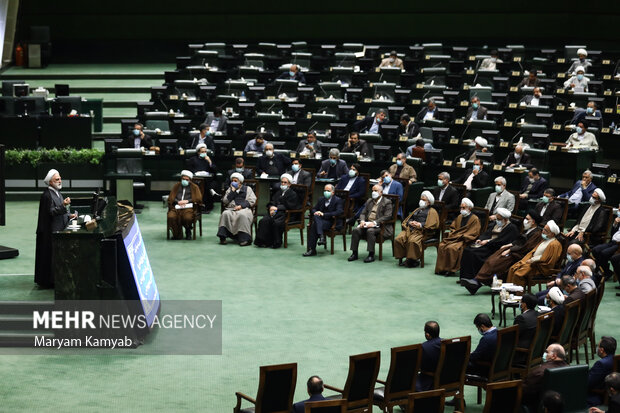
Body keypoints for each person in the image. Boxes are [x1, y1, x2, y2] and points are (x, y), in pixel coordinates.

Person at [464, 211, 543, 294]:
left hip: (521, 255)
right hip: (515, 249)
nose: (524, 221)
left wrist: (510, 250)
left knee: (497, 263)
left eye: (527, 219)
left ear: (533, 222)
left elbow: (526, 247)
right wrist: (508, 245)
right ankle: (477, 281)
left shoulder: (536, 233)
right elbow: (518, 241)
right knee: (492, 259)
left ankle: (478, 281)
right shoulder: (528, 230)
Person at [35, 169, 76, 288]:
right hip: (50, 232)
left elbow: (60, 211)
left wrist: (69, 216)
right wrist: (63, 205)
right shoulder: (47, 195)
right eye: (57, 179)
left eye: (60, 178)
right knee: (50, 257)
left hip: (58, 229)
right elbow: (51, 212)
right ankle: (49, 281)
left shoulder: (58, 192)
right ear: (50, 182)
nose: (59, 181)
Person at [459, 208, 519, 281]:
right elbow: (487, 233)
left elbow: (501, 241)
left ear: (505, 220)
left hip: (495, 248)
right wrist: (480, 239)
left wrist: (487, 242)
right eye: (496, 218)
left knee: (474, 253)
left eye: (499, 219)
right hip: (487, 245)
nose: (497, 221)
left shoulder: (512, 228)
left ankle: (472, 277)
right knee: (467, 250)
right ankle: (464, 277)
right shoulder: (495, 224)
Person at [506, 220, 563, 287]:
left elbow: (548, 260)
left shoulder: (554, 244)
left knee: (518, 274)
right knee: (512, 268)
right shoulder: (545, 239)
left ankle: (518, 294)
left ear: (552, 234)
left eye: (546, 231)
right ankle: (509, 291)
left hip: (539, 267)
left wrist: (533, 260)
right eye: (543, 229)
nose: (543, 231)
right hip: (532, 262)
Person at [348, 185, 393, 263]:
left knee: (370, 231)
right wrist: (362, 221)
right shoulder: (369, 200)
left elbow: (387, 216)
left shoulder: (387, 202)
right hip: (367, 223)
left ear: (381, 192)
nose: (373, 192)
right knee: (356, 230)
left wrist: (374, 222)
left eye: (375, 191)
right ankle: (354, 253)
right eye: (372, 190)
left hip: (380, 226)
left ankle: (371, 254)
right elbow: (363, 213)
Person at [393, 191, 439, 268]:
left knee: (412, 241)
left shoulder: (432, 211)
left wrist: (420, 225)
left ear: (429, 202)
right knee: (398, 239)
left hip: (422, 231)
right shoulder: (417, 209)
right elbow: (408, 219)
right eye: (421, 199)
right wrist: (411, 222)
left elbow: (432, 224)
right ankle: (403, 257)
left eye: (423, 200)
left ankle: (412, 260)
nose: (421, 201)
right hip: (410, 229)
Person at [435, 198, 481, 276]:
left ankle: (450, 270)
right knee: (442, 245)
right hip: (455, 238)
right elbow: (453, 227)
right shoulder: (459, 216)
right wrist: (453, 233)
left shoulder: (475, 219)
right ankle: (442, 268)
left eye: (463, 208)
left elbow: (474, 233)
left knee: (452, 248)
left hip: (464, 240)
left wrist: (462, 236)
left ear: (469, 208)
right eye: (460, 207)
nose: (461, 209)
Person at [254, 174, 300, 249]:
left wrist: (277, 208)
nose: (283, 184)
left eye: (285, 182)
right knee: (263, 221)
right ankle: (263, 241)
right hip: (274, 213)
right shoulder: (278, 192)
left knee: (276, 223)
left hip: (285, 214)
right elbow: (272, 202)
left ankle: (276, 242)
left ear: (289, 184)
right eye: (282, 182)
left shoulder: (293, 194)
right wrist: (271, 207)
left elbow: (291, 206)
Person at [522, 344, 569, 411]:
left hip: (538, 405)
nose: (544, 354)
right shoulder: (569, 368)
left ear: (554, 356)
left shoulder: (540, 372)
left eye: (547, 352)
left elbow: (525, 390)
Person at [303, 184, 344, 257]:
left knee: (314, 225)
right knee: (315, 218)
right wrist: (316, 212)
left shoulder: (338, 200)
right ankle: (321, 237)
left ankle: (312, 250)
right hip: (321, 221)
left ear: (333, 192)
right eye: (324, 190)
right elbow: (313, 209)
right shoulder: (321, 199)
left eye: (328, 191)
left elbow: (339, 212)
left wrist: (324, 214)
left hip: (331, 222)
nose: (326, 192)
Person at [217, 172, 256, 246]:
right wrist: (232, 191)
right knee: (226, 214)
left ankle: (244, 239)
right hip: (231, 209)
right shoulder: (230, 189)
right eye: (232, 181)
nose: (233, 182)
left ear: (240, 182)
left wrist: (241, 206)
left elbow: (252, 200)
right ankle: (223, 237)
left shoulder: (248, 189)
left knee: (242, 215)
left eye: (235, 181)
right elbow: (225, 201)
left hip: (244, 209)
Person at [167, 170, 202, 240]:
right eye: (183, 179)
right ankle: (177, 234)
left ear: (190, 180)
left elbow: (198, 199)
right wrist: (178, 202)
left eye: (187, 180)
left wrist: (187, 201)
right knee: (171, 216)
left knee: (187, 218)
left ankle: (188, 231)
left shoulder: (195, 187)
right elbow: (171, 197)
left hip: (189, 208)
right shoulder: (176, 186)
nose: (184, 181)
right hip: (176, 207)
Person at [186, 143, 217, 213]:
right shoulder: (193, 159)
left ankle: (207, 207)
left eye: (205, 152)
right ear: (198, 152)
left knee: (209, 186)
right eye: (202, 152)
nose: (204, 153)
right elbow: (189, 170)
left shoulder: (209, 159)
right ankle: (196, 206)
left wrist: (210, 162)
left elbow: (214, 170)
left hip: (207, 179)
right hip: (196, 179)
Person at [588, 336, 617, 407]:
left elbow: (588, 383)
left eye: (598, 346)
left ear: (601, 350)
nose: (597, 348)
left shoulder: (601, 364)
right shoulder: (615, 360)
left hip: (596, 395)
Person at [592, 209, 620, 280]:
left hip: (619, 245)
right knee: (595, 250)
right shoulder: (619, 220)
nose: (618, 210)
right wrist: (615, 224)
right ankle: (605, 270)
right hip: (612, 242)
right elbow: (612, 234)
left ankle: (602, 272)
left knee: (604, 253)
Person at [416, 321, 441, 391]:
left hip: (429, 383)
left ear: (427, 335)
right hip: (448, 381)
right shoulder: (448, 344)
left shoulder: (423, 347)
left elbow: (417, 367)